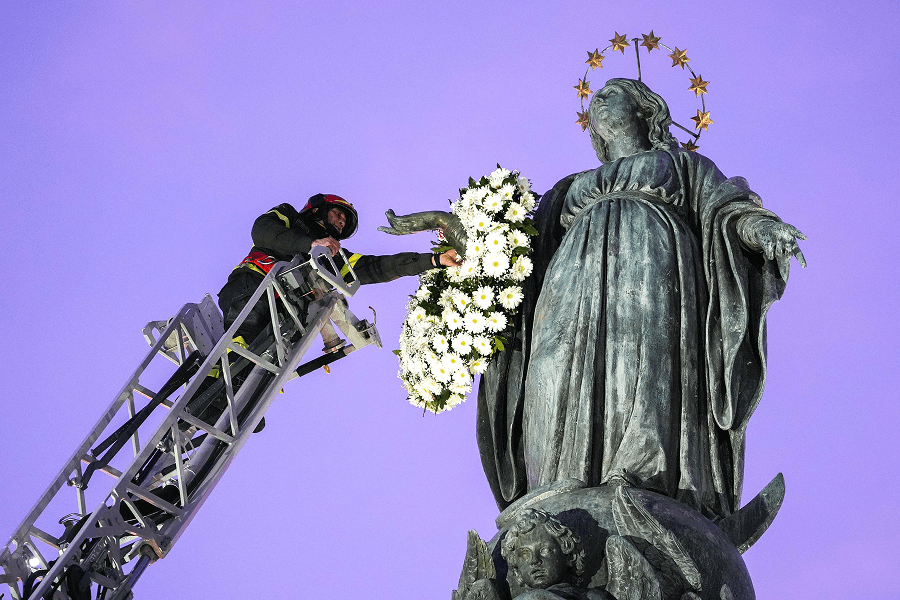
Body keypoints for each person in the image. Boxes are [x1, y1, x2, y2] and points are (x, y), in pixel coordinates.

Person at [476, 78, 806, 521]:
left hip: (652, 264)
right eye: (596, 97)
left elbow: (726, 208)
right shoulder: (568, 187)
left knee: (642, 361)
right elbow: (515, 257)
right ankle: (555, 480)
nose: (598, 100)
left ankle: (639, 476)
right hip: (568, 280)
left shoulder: (681, 164)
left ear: (644, 110)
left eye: (613, 93)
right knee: (551, 368)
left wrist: (762, 230)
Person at [218, 193, 460, 347]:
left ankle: (231, 403)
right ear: (318, 208)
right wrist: (309, 244)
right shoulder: (289, 215)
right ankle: (218, 377)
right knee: (242, 336)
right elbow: (263, 231)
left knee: (266, 362)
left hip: (287, 314)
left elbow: (378, 267)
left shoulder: (333, 259)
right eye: (338, 213)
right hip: (253, 285)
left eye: (344, 221)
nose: (342, 221)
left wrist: (434, 261)